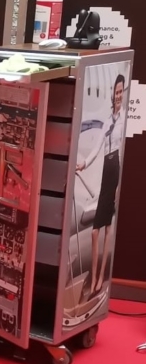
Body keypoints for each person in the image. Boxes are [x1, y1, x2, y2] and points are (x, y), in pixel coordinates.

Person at [77, 73, 126, 299]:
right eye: (116, 92)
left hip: (115, 168)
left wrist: (118, 185)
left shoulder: (123, 120)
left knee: (107, 228)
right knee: (97, 231)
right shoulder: (108, 121)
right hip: (107, 169)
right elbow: (97, 147)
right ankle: (95, 274)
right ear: (112, 95)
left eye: (121, 92)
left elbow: (121, 150)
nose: (118, 96)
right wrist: (84, 164)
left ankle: (99, 277)